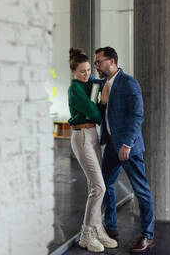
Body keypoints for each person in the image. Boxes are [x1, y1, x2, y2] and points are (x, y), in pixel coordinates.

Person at [94, 46, 155, 253]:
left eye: (98, 62)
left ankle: (148, 236)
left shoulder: (129, 83)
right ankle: (111, 226)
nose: (97, 66)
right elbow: (106, 112)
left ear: (111, 61)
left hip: (128, 147)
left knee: (141, 191)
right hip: (111, 145)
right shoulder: (103, 84)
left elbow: (137, 115)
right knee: (105, 185)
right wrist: (101, 103)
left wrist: (127, 144)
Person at [68, 48, 117, 253]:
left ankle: (97, 228)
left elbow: (97, 89)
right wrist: (102, 102)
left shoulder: (88, 84)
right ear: (73, 72)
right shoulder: (75, 89)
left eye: (88, 70)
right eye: (81, 71)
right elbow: (94, 112)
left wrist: (101, 91)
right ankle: (86, 233)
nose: (86, 74)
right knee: (100, 187)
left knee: (94, 186)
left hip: (92, 136)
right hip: (81, 137)